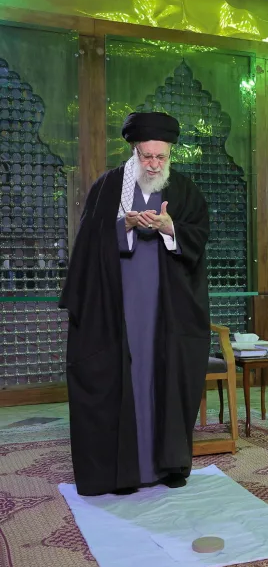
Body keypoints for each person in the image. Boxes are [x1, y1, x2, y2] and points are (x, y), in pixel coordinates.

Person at [59, 111, 210, 496]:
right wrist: (122, 226)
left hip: (166, 311)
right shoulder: (108, 187)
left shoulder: (185, 190)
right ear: (134, 151)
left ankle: (166, 466)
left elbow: (199, 236)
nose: (155, 164)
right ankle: (121, 471)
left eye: (161, 157)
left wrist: (169, 228)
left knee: (165, 378)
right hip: (117, 311)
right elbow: (88, 245)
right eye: (147, 157)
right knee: (118, 379)